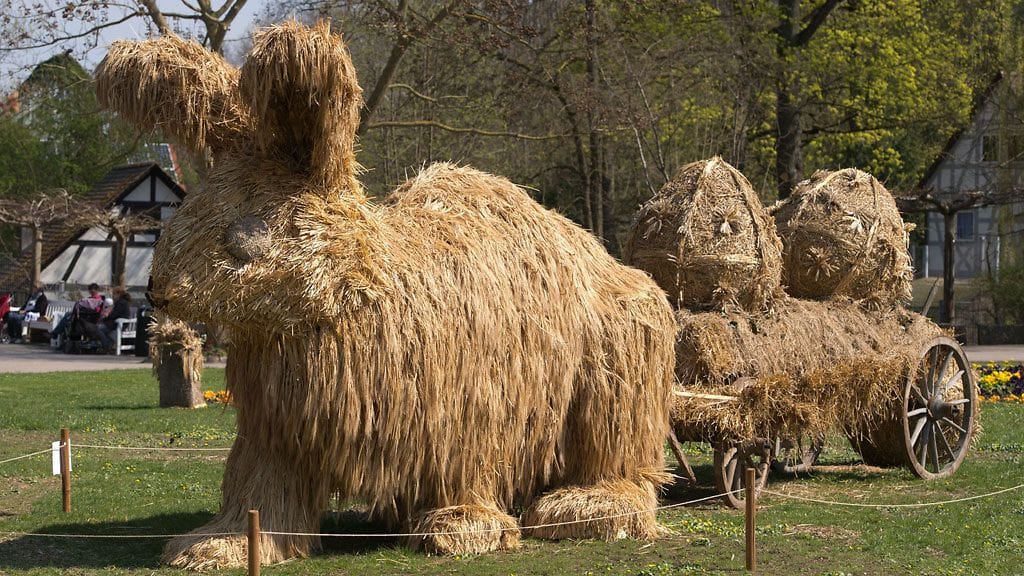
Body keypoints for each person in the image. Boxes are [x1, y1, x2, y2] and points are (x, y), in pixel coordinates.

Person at [98, 288, 132, 352]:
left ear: (119, 294)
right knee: (104, 331)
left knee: (98, 329)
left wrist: (105, 318)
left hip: (119, 325)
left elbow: (115, 314)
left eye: (114, 294)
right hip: (116, 324)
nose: (113, 296)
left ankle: (106, 346)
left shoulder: (121, 302)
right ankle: (109, 346)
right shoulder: (121, 302)